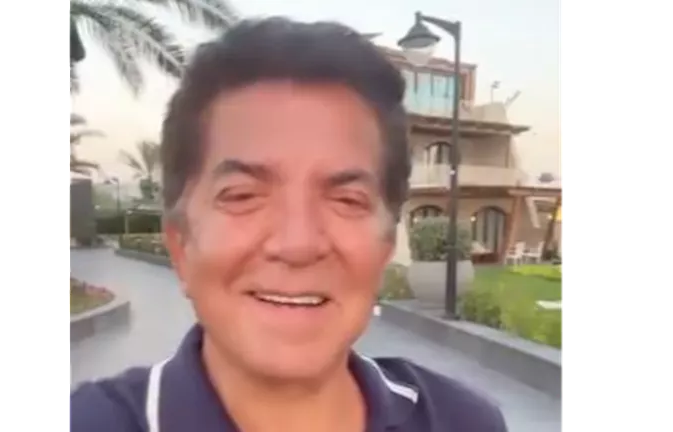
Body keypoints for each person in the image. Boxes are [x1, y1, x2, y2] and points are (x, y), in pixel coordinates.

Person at [70, 17, 508, 432]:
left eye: (346, 200)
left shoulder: (460, 421)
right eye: (243, 196)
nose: (297, 243)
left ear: (384, 250)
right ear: (181, 245)